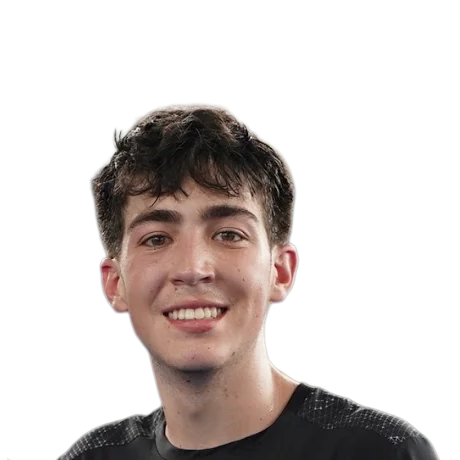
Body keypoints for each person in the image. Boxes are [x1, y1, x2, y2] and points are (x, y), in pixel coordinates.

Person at [59, 103, 440, 459]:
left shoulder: (378, 451)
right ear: (115, 284)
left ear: (280, 271)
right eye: (156, 239)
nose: (193, 268)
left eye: (228, 234)